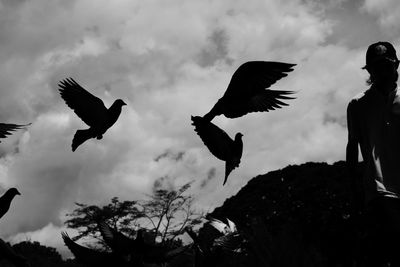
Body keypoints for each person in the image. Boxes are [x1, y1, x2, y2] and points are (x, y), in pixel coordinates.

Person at [346, 41, 400, 266]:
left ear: (396, 65)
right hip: (380, 189)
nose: (387, 71)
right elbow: (352, 147)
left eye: (389, 65)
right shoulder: (358, 105)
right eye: (379, 67)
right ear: (370, 71)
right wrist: (353, 189)